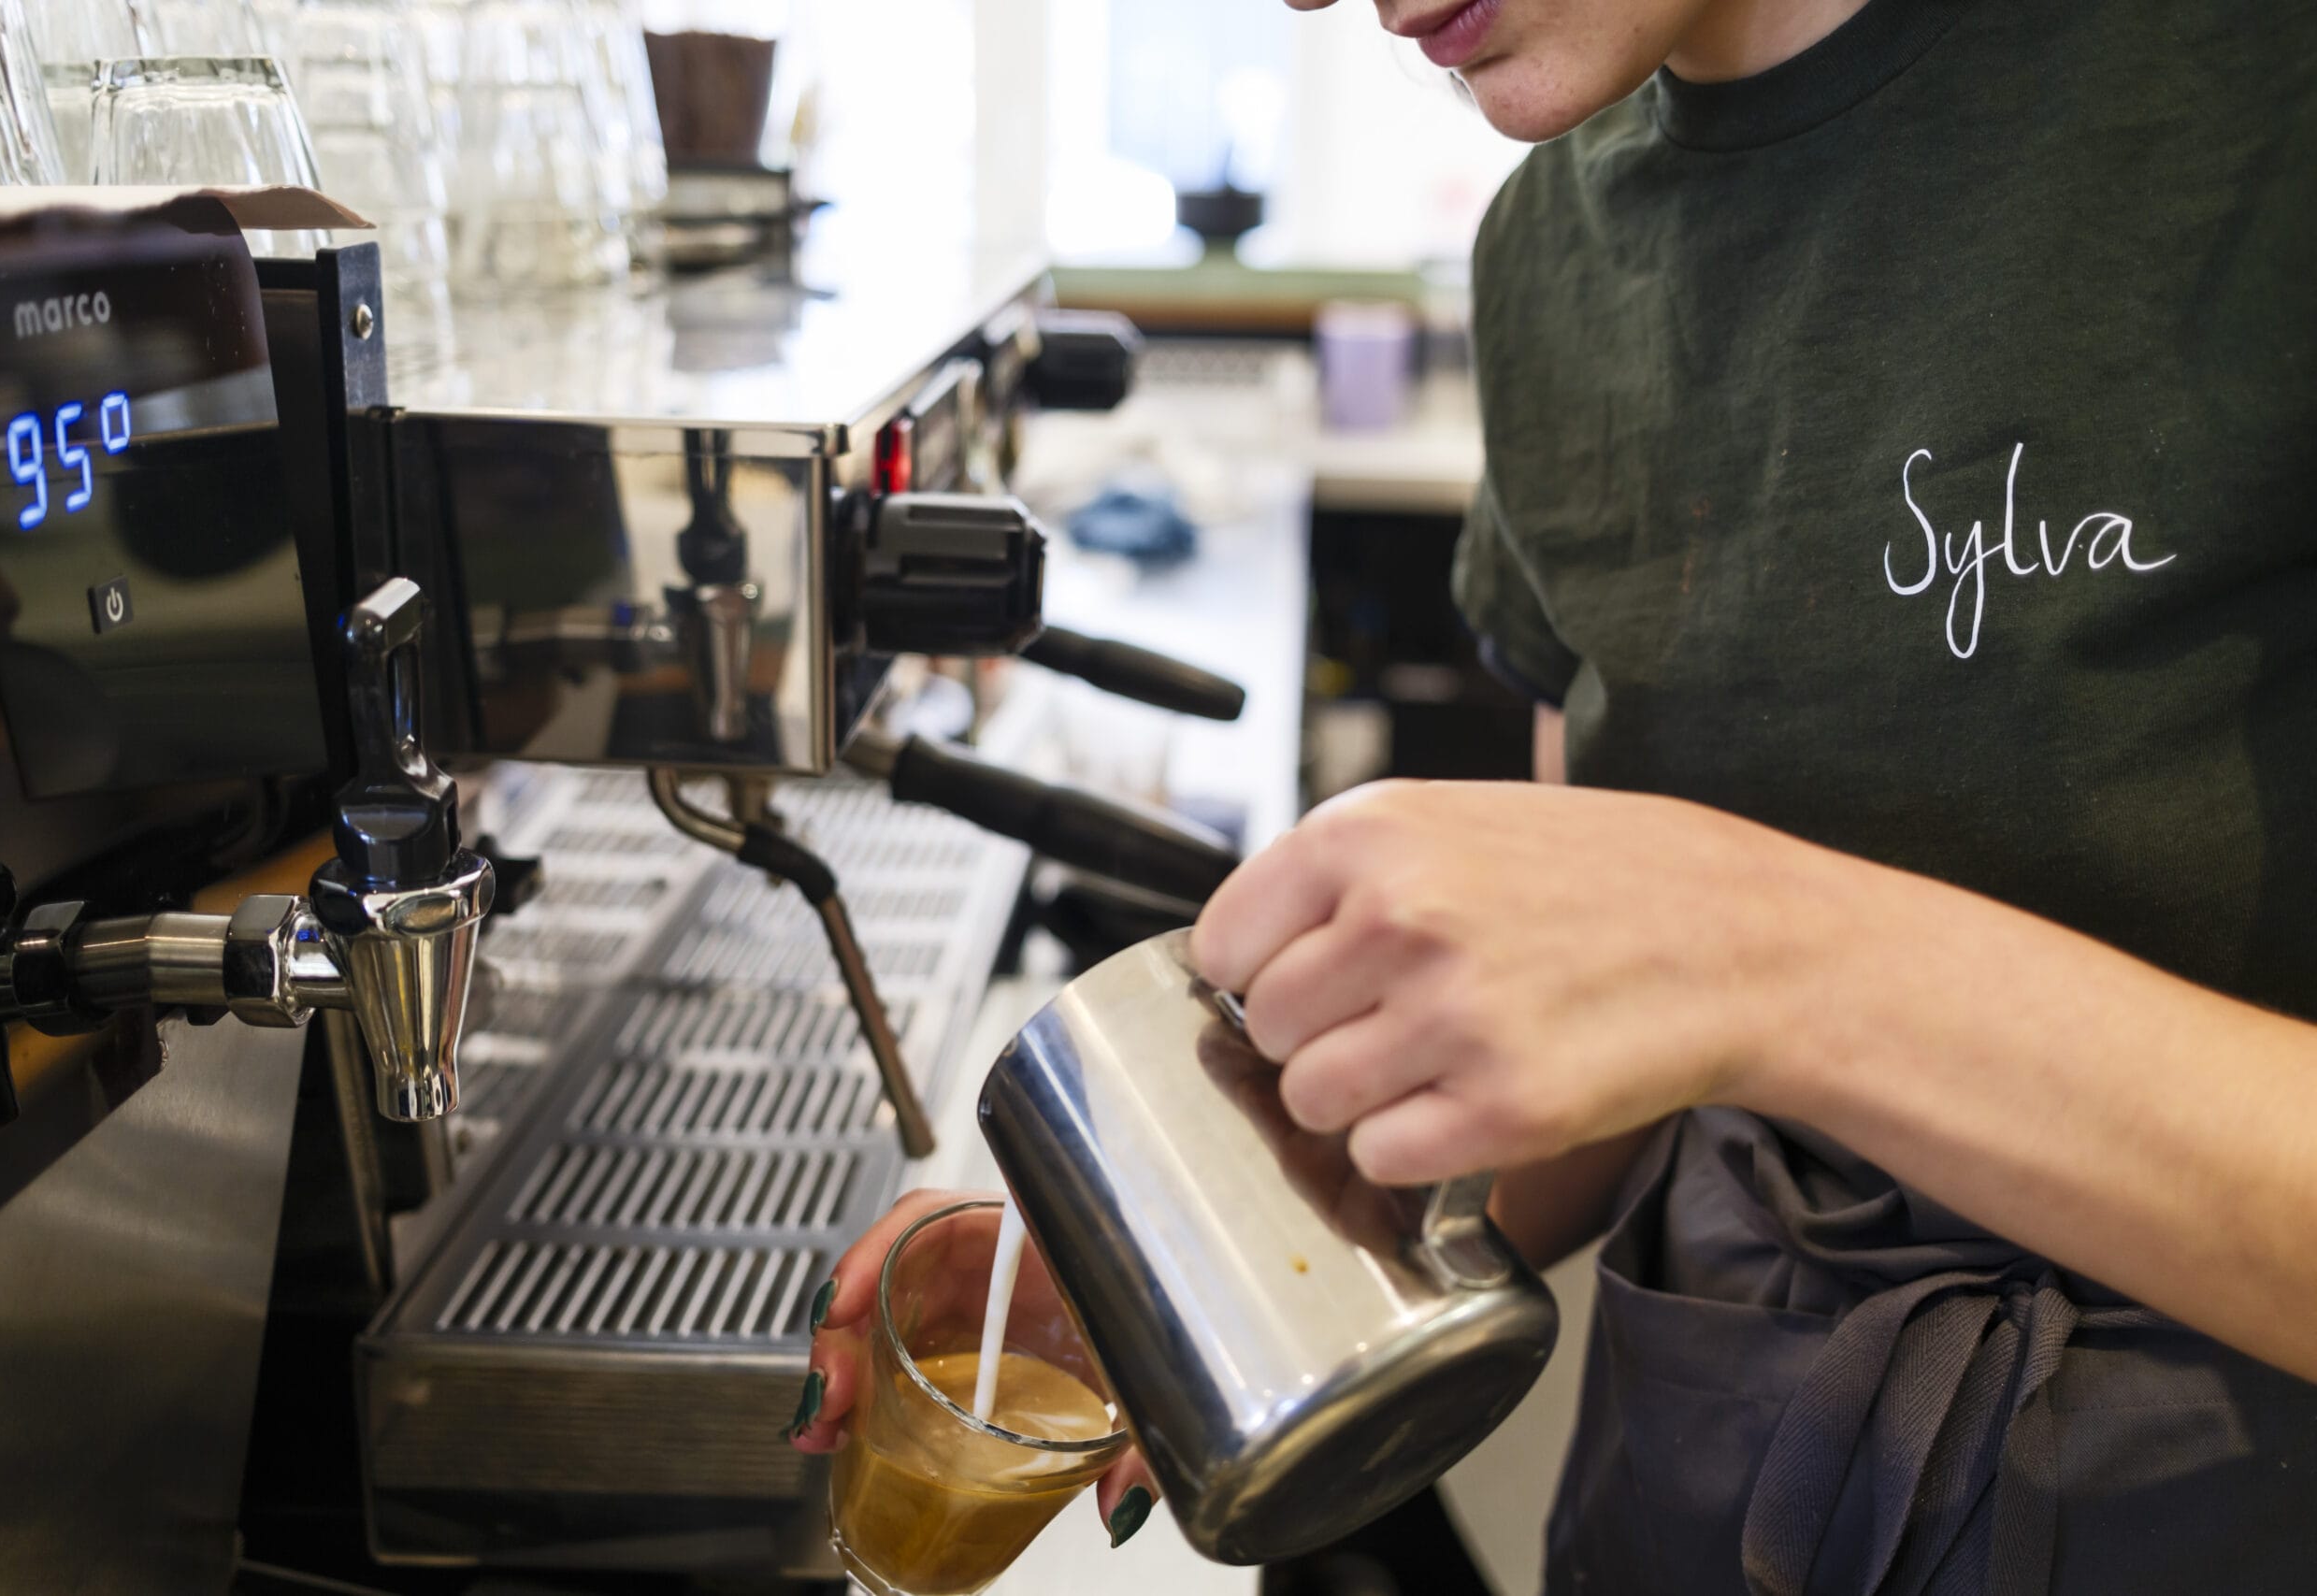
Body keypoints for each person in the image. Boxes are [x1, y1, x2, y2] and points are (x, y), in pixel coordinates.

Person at [794, 0, 2317, 1589]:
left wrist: (1771, 956)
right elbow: (1606, 1093)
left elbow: (1712, 968)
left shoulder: (2250, 113)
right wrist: (1198, 1271)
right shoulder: (1554, 254)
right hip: (1714, 1472)